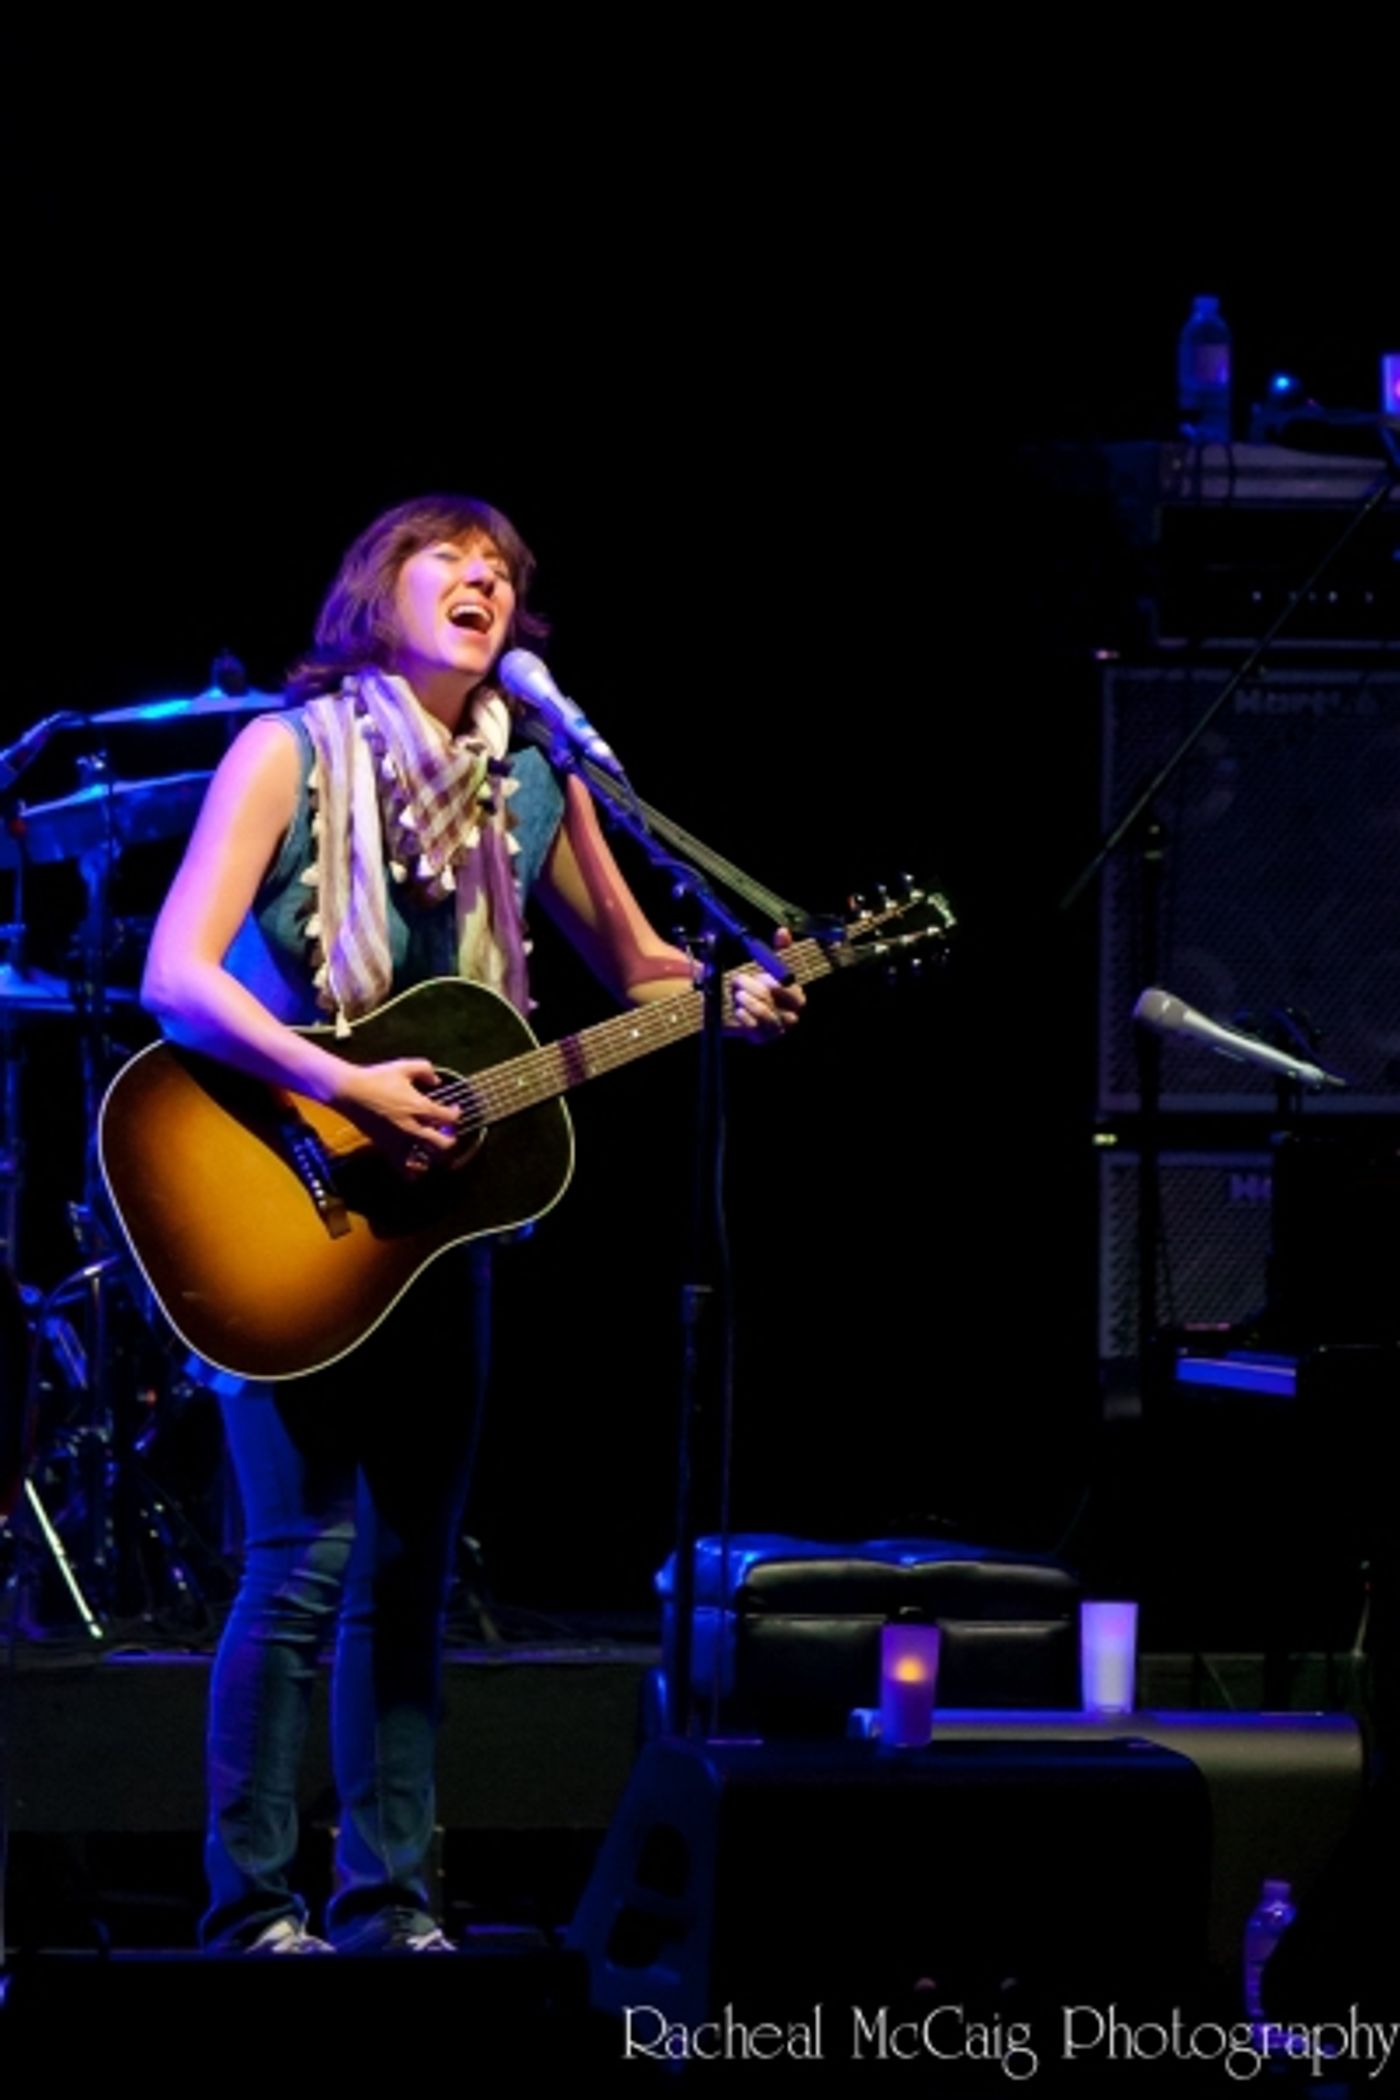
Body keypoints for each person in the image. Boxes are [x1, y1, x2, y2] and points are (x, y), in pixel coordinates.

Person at [139, 492, 804, 1955]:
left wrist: (729, 990)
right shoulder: (287, 749)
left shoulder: (532, 783)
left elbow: (638, 968)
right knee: (298, 1560)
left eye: (504, 568)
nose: (484, 579)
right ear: (375, 590)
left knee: (412, 1572)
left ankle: (394, 1904)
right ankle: (249, 1910)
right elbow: (178, 975)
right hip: (282, 1181)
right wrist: (347, 1084)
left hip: (434, 1229)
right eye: (451, 556)